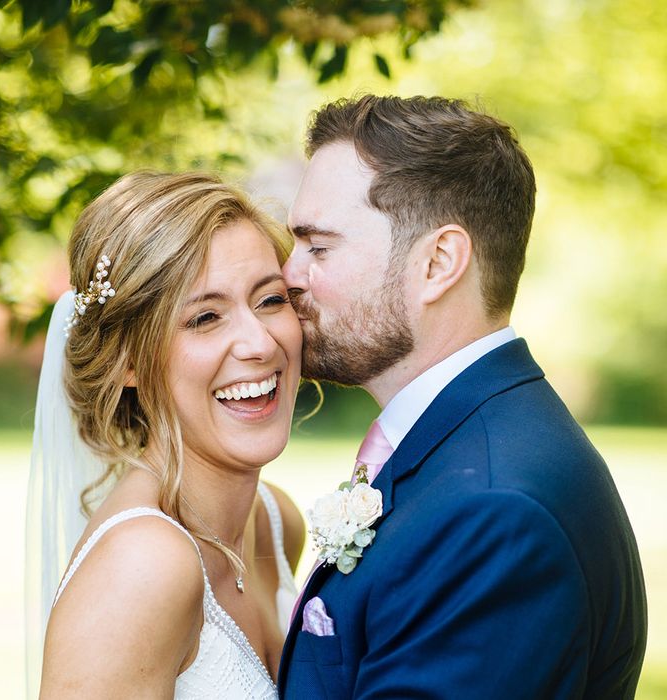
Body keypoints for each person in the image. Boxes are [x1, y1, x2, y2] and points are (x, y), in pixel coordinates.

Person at [277, 95, 647, 699]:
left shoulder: (493, 515)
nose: (289, 273)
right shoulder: (472, 445)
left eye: (319, 247)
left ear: (438, 263)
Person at [26, 171, 306, 699]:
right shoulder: (142, 565)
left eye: (270, 300)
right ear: (128, 362)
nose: (260, 343)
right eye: (205, 317)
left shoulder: (275, 521)